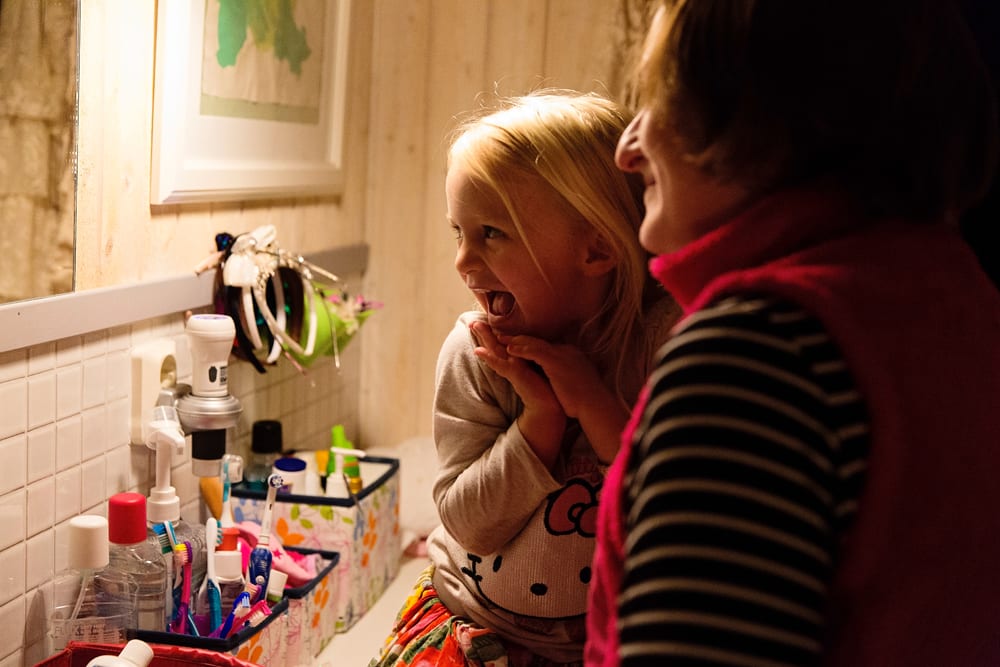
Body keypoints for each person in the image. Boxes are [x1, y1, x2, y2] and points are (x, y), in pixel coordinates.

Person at [586, 1, 1000, 665]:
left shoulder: (757, 356)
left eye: (660, 99)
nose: (627, 148)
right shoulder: (959, 306)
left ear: (762, 116)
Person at [369, 90, 678, 666]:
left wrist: (593, 404)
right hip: (469, 625)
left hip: (605, 641)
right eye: (457, 232)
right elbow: (467, 524)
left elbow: (669, 516)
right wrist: (540, 421)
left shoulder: (660, 345)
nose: (463, 260)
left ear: (598, 248)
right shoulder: (477, 353)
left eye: (491, 233)